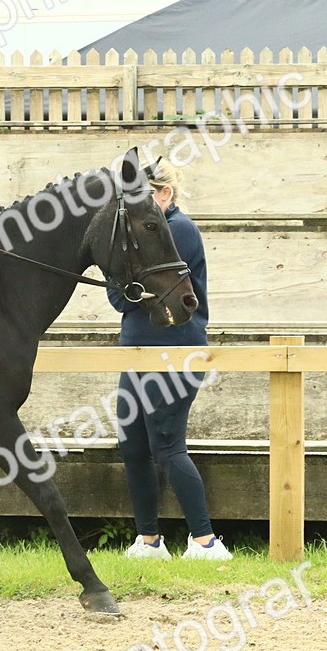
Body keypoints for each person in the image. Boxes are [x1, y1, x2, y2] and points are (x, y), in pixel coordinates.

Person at [108, 157, 232, 561]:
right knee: (132, 445)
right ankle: (148, 540)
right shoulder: (139, 232)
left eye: (145, 197)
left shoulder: (178, 230)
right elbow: (117, 295)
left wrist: (132, 291)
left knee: (167, 444)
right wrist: (131, 291)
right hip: (138, 349)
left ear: (165, 194)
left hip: (176, 347)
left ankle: (205, 541)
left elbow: (149, 293)